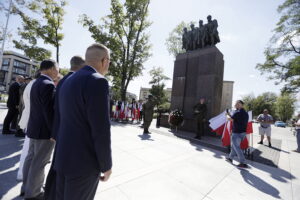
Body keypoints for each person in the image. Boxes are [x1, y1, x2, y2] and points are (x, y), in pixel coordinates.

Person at [54, 44, 112, 200]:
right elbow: (101, 129)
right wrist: (106, 165)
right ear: (104, 61)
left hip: (62, 157)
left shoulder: (67, 80)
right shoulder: (98, 81)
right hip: (83, 164)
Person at [44, 56, 85, 200]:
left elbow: (56, 108)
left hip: (60, 129)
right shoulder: (76, 80)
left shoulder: (62, 81)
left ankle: (50, 193)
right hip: (67, 131)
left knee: (57, 164)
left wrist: (54, 130)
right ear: (82, 65)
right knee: (61, 167)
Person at [21, 60, 58, 200]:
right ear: (52, 69)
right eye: (57, 69)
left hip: (34, 128)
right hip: (44, 132)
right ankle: (34, 193)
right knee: (39, 162)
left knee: (30, 159)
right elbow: (48, 112)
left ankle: (27, 187)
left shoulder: (36, 83)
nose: (58, 72)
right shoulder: (48, 85)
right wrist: (53, 132)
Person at [17, 73, 40, 182]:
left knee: (27, 150)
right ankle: (23, 174)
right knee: (28, 151)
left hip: (29, 119)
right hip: (33, 120)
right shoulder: (35, 85)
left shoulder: (31, 84)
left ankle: (23, 173)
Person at [225, 100, 249, 169]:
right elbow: (235, 118)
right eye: (235, 104)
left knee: (237, 147)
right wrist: (229, 114)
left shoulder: (237, 112)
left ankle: (243, 163)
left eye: (236, 104)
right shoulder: (245, 113)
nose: (235, 105)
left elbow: (230, 119)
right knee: (234, 147)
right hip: (243, 133)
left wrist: (226, 115)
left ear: (240, 104)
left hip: (237, 133)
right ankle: (230, 158)